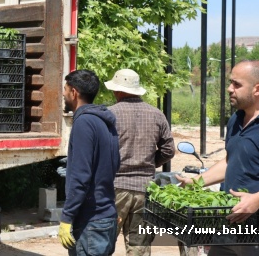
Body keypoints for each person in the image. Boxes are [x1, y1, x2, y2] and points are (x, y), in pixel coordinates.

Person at [176, 60, 259, 256]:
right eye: (230, 83)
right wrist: (196, 182)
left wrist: (256, 200)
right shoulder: (236, 119)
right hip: (229, 225)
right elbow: (231, 161)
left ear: (258, 89)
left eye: (237, 84)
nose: (230, 89)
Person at [103, 68, 175, 255]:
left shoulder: (109, 114)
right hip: (146, 188)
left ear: (117, 91)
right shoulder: (156, 114)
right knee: (139, 247)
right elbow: (168, 150)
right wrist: (150, 163)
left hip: (115, 187)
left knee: (102, 242)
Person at [58, 69, 120, 256]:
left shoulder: (84, 123)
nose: (63, 94)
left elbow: (80, 176)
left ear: (74, 92)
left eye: (65, 89)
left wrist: (67, 217)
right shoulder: (104, 121)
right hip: (105, 217)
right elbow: (114, 164)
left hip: (90, 222)